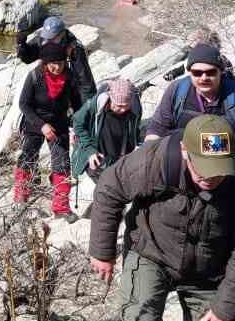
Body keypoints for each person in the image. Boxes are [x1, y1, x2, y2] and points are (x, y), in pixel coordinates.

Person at [89, 114, 235, 321]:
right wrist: (102, 251)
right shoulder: (156, 160)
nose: (211, 177)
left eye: (219, 170)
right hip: (152, 253)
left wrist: (225, 310)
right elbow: (109, 187)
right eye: (203, 168)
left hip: (208, 272)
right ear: (185, 151)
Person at [144, 42, 235, 194]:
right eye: (197, 73)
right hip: (187, 158)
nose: (204, 77)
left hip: (228, 163)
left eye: (210, 72)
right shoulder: (177, 91)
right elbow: (158, 126)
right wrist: (147, 156)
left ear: (220, 72)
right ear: (189, 72)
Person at [15, 41, 83, 216]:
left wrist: (76, 127)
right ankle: (21, 197)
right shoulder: (35, 77)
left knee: (62, 164)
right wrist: (42, 125)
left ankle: (60, 208)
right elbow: (23, 104)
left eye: (61, 63)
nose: (57, 67)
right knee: (27, 159)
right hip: (34, 122)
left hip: (59, 122)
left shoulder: (69, 77)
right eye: (53, 64)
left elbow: (77, 104)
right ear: (45, 63)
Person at [71, 78, 142, 217]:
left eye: (125, 106)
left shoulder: (135, 107)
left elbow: (135, 130)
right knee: (107, 188)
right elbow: (78, 124)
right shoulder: (96, 104)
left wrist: (137, 146)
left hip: (118, 155)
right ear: (110, 98)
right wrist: (90, 151)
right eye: (118, 105)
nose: (122, 110)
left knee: (115, 189)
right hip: (94, 155)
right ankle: (105, 216)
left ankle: (107, 214)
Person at [16, 16, 98, 103]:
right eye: (47, 37)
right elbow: (28, 58)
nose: (48, 40)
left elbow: (85, 81)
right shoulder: (43, 39)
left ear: (62, 34)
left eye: (52, 37)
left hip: (66, 85)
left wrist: (88, 106)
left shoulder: (74, 49)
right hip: (46, 82)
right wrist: (22, 46)